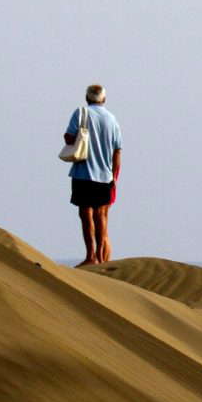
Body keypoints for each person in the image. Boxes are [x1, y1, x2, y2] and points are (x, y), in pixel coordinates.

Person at [62, 83, 122, 267]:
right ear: (104, 99)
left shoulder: (80, 113)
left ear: (87, 98)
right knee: (101, 214)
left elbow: (68, 137)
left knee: (86, 213)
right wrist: (115, 177)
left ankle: (91, 256)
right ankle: (101, 257)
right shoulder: (112, 120)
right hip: (105, 174)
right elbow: (117, 151)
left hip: (83, 172)